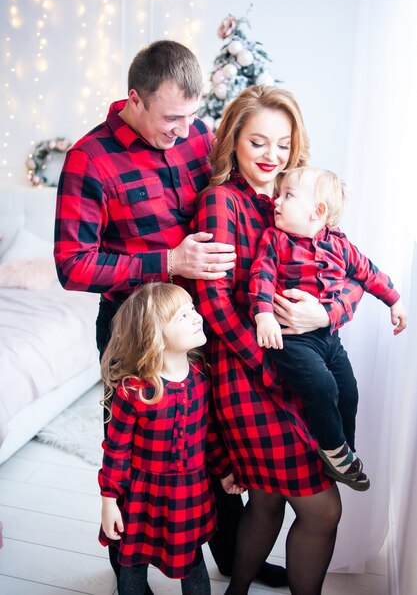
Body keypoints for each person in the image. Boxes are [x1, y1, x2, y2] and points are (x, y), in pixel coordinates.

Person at [54, 41, 284, 591]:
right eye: (171, 118)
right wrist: (169, 260)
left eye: (192, 115)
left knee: (215, 440)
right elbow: (71, 265)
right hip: (134, 331)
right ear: (135, 99)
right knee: (137, 447)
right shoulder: (90, 158)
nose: (185, 130)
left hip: (202, 320)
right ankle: (128, 572)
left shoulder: (199, 133)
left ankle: (229, 555)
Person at [191, 85, 366, 595]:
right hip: (252, 376)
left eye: (283, 145)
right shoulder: (223, 203)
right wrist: (272, 369)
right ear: (233, 142)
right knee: (322, 506)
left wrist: (327, 313)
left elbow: (349, 273)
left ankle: (237, 590)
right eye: (258, 143)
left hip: (303, 363)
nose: (272, 157)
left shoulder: (304, 198)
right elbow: (215, 305)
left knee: (267, 498)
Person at [249, 166, 407, 492]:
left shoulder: (340, 244)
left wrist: (394, 300)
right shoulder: (275, 240)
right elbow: (261, 276)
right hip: (292, 340)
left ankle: (342, 451)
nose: (276, 201)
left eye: (287, 196)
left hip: (329, 338)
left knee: (348, 389)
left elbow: (368, 273)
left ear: (317, 212)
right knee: (322, 386)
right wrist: (263, 314)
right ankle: (335, 450)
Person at [99, 282, 243, 595]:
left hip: (187, 494)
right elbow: (116, 450)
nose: (196, 317)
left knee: (191, 559)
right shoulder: (133, 390)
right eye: (182, 316)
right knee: (132, 562)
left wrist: (225, 471)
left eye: (192, 308)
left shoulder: (201, 376)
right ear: (155, 335)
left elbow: (210, 436)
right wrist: (109, 500)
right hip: (141, 495)